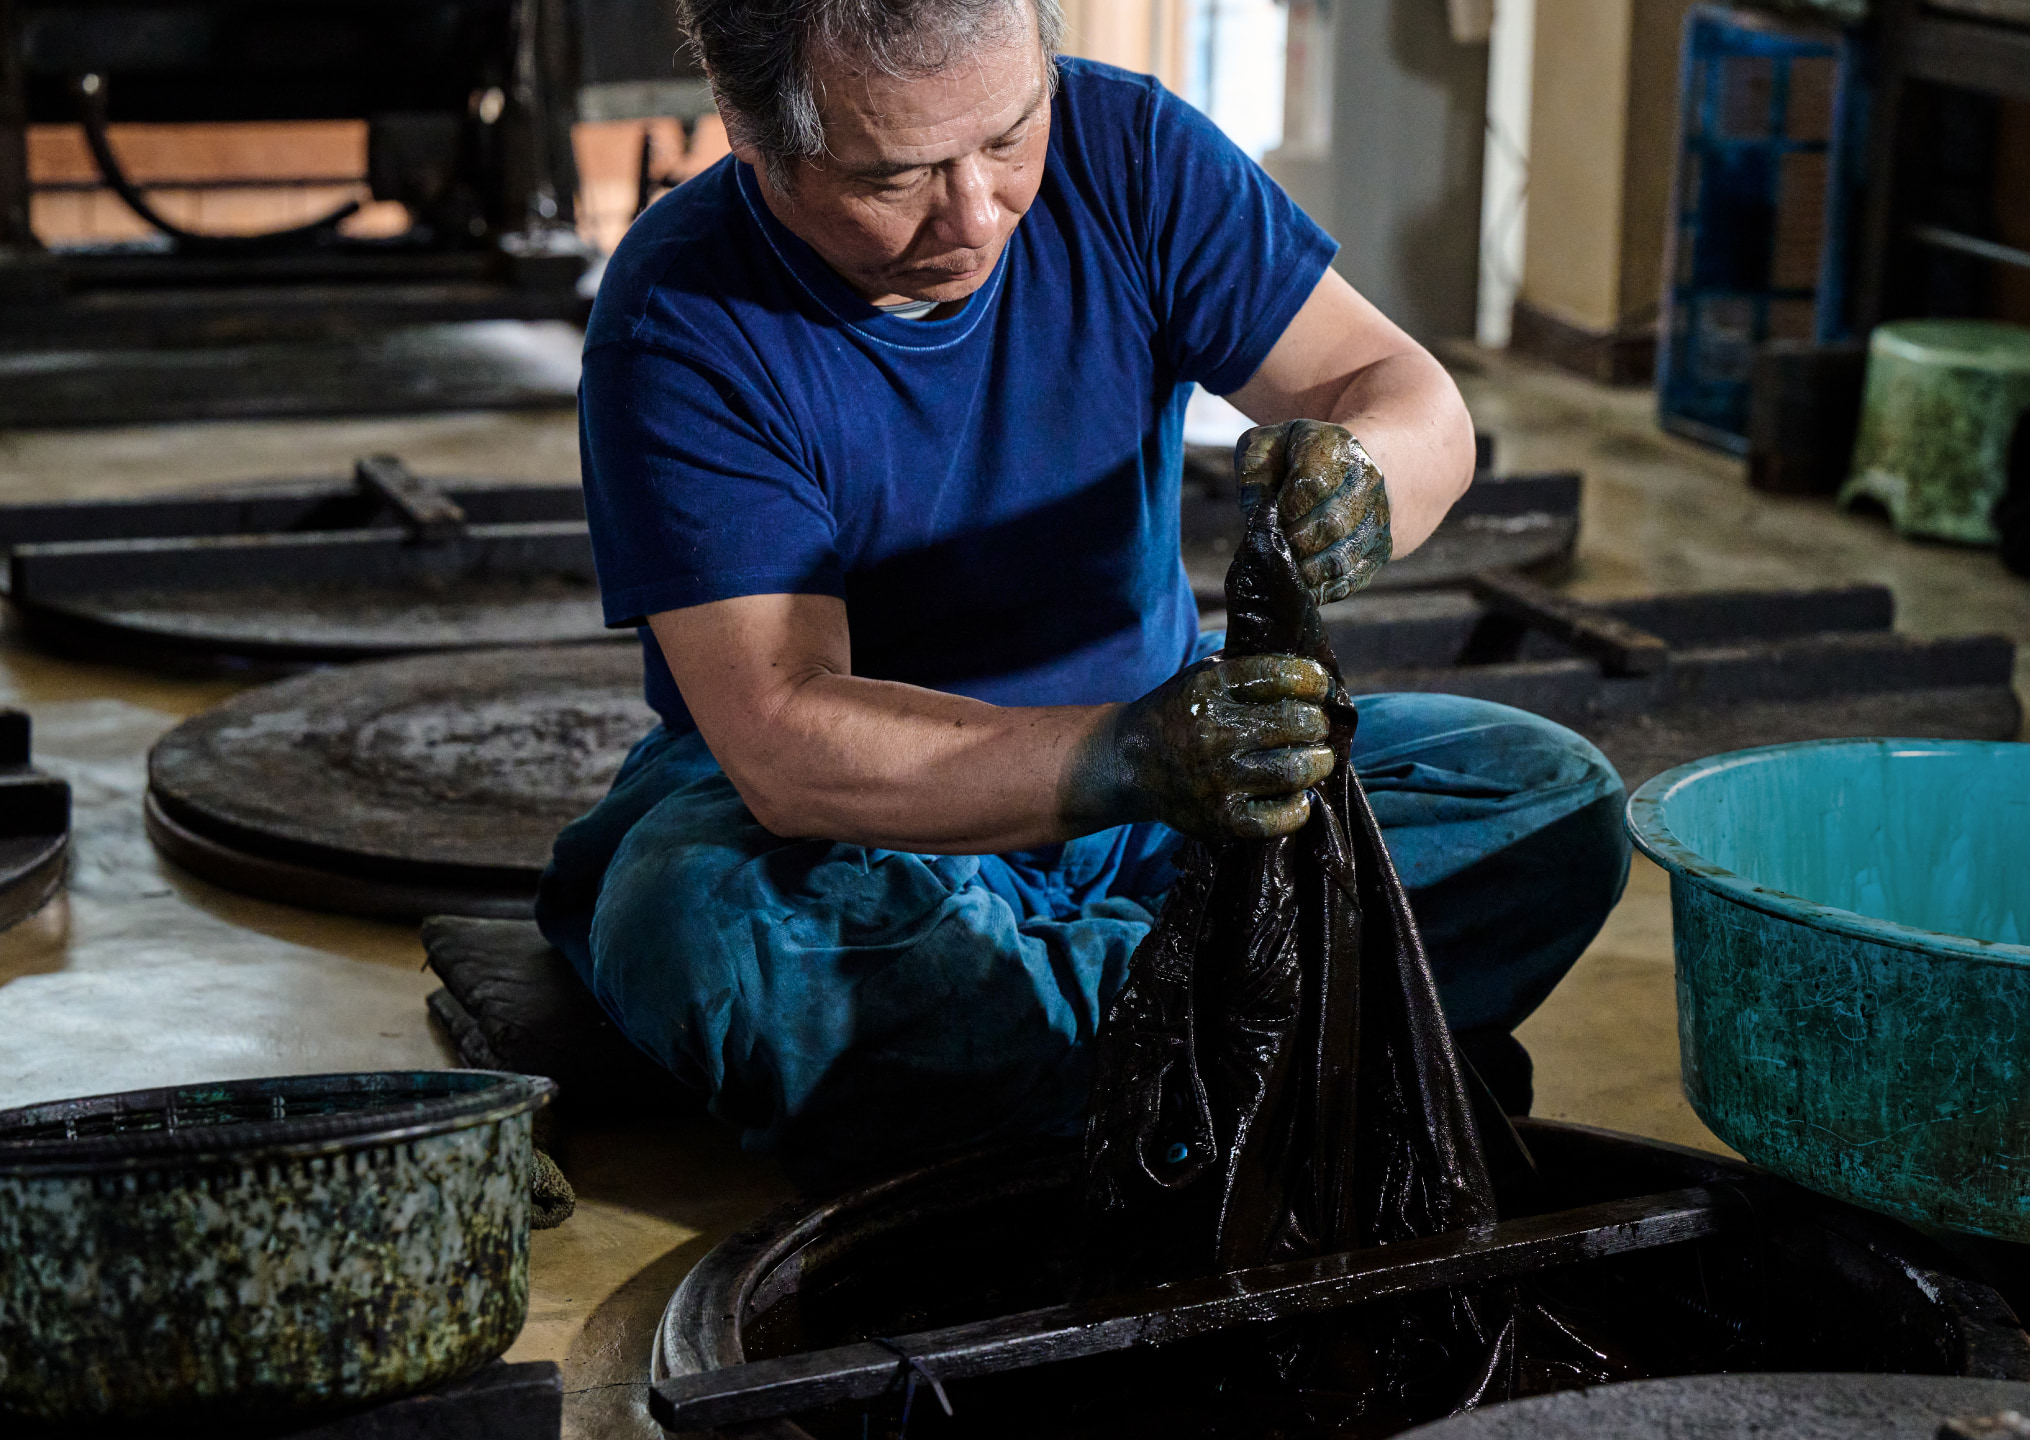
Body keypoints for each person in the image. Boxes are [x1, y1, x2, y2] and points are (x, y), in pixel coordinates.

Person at [539, 0, 1629, 1186]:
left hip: (1170, 791)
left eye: (1008, 137)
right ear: (750, 135)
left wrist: (1366, 475)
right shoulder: (680, 315)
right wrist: (1129, 758)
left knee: (1549, 807)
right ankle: (1277, 1029)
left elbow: (1396, 389)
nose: (976, 215)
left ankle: (1079, 1055)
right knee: (711, 935)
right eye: (895, 178)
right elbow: (785, 737)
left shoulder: (1128, 151)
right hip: (864, 827)